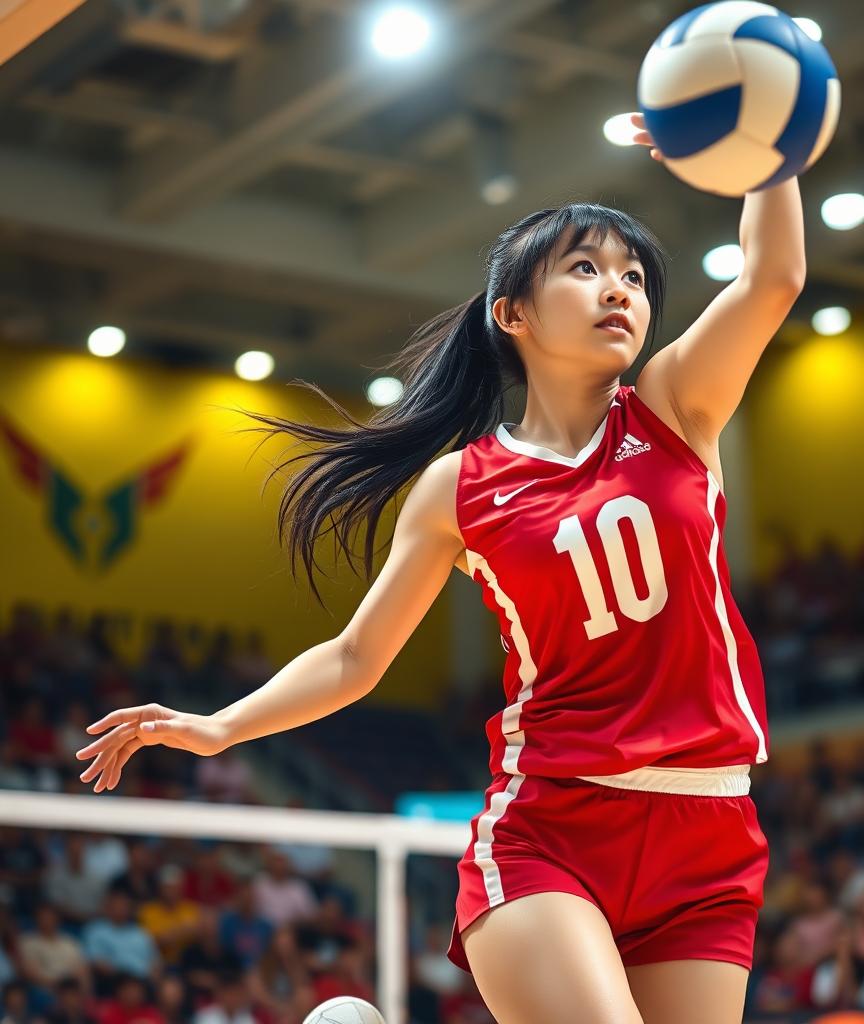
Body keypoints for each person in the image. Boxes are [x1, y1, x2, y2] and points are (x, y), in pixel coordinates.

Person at [76, 120, 806, 1024]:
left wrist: (770, 150)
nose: (618, 289)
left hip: (711, 828)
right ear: (513, 313)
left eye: (633, 275)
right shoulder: (460, 486)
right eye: (584, 268)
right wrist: (222, 728)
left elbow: (773, 277)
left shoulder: (676, 408)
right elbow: (355, 657)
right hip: (554, 823)